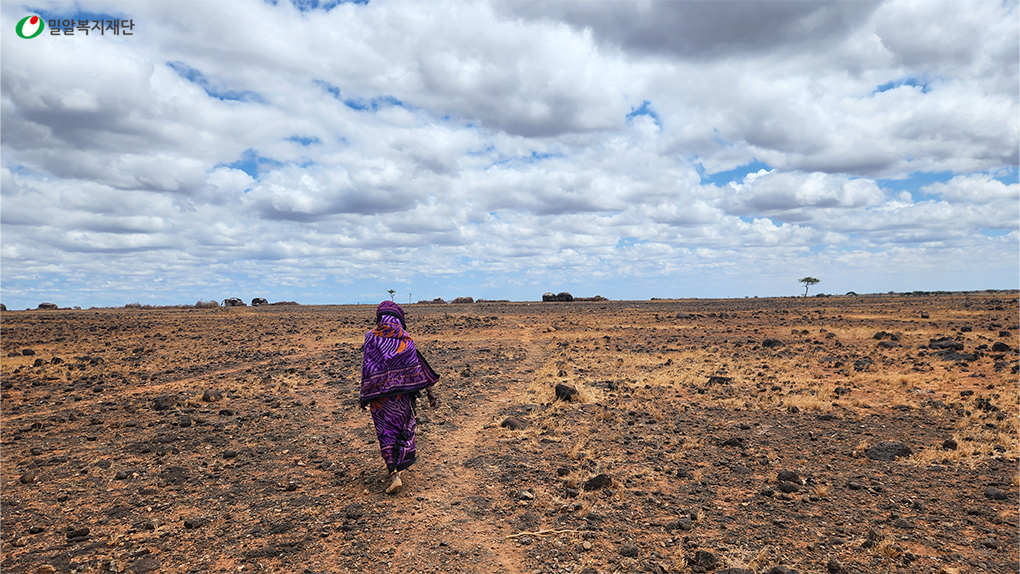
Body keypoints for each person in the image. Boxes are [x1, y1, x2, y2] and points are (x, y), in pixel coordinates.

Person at [360, 301, 438, 494]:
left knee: (385, 431)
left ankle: (393, 472)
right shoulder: (406, 339)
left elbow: (368, 366)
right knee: (402, 427)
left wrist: (366, 392)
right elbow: (416, 365)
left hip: (379, 396)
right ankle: (398, 465)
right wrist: (428, 390)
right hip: (402, 396)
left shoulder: (371, 337)